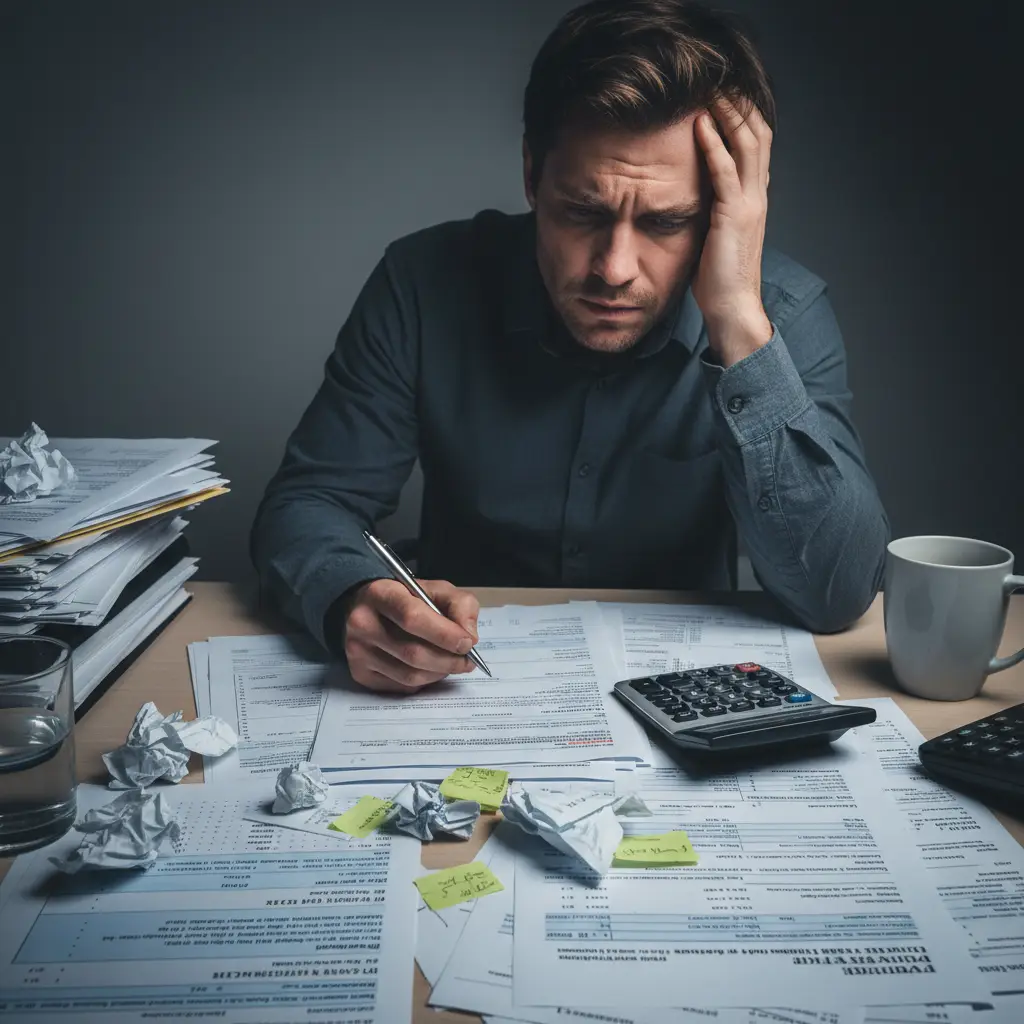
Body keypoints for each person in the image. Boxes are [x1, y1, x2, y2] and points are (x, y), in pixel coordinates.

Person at [251, 0, 890, 694]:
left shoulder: (782, 313)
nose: (613, 268)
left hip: (681, 698)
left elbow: (837, 590)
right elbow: (308, 502)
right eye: (583, 212)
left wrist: (737, 318)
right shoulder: (422, 283)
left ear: (719, 211)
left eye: (666, 222)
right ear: (532, 175)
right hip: (450, 691)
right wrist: (350, 595)